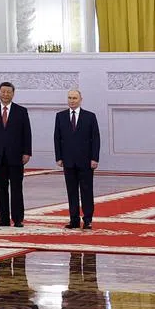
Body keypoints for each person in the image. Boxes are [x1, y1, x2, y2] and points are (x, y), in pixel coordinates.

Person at [0, 81, 32, 227]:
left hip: (16, 156)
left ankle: (18, 219)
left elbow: (27, 133)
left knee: (17, 188)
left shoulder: (21, 111)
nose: (5, 94)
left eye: (8, 92)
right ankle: (3, 219)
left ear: (13, 93)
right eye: (3, 92)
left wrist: (27, 152)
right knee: (1, 188)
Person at [54, 89, 100, 230]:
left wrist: (94, 158)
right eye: (69, 98)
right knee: (71, 191)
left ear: (81, 99)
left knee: (86, 191)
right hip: (68, 161)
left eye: (74, 98)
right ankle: (74, 220)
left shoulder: (90, 117)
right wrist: (59, 157)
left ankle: (87, 220)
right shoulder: (60, 116)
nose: (72, 100)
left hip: (86, 161)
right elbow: (57, 138)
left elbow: (96, 139)